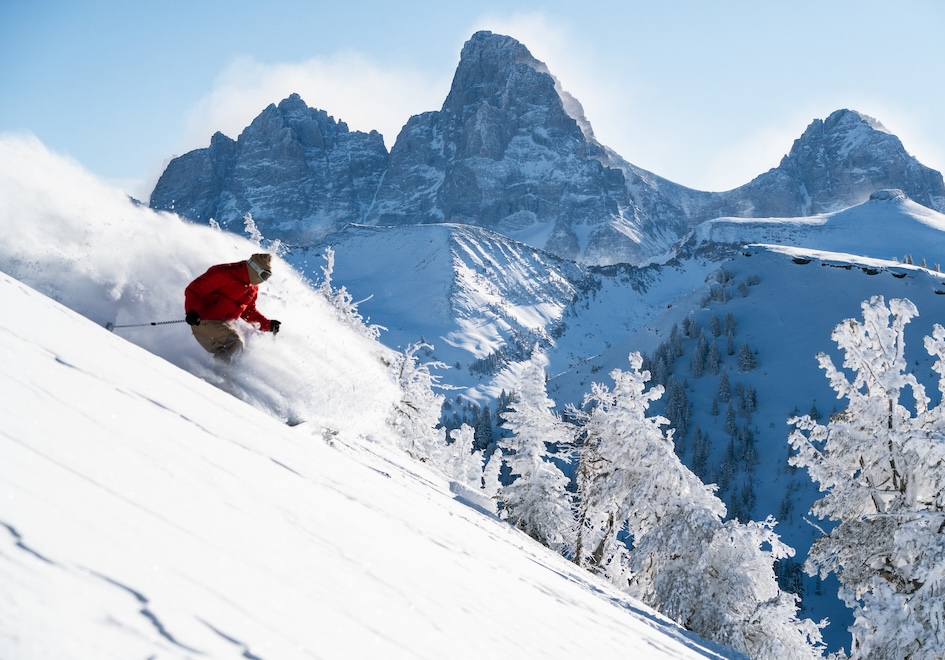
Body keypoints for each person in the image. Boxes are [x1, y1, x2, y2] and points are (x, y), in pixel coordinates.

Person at [184, 253, 281, 361]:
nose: (263, 280)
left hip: (223, 323)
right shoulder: (224, 274)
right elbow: (194, 289)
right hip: (203, 319)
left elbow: (248, 311)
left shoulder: (252, 288)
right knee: (234, 343)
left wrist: (267, 324)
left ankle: (223, 370)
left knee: (246, 345)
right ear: (255, 268)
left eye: (267, 277)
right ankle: (222, 373)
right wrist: (192, 312)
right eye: (264, 275)